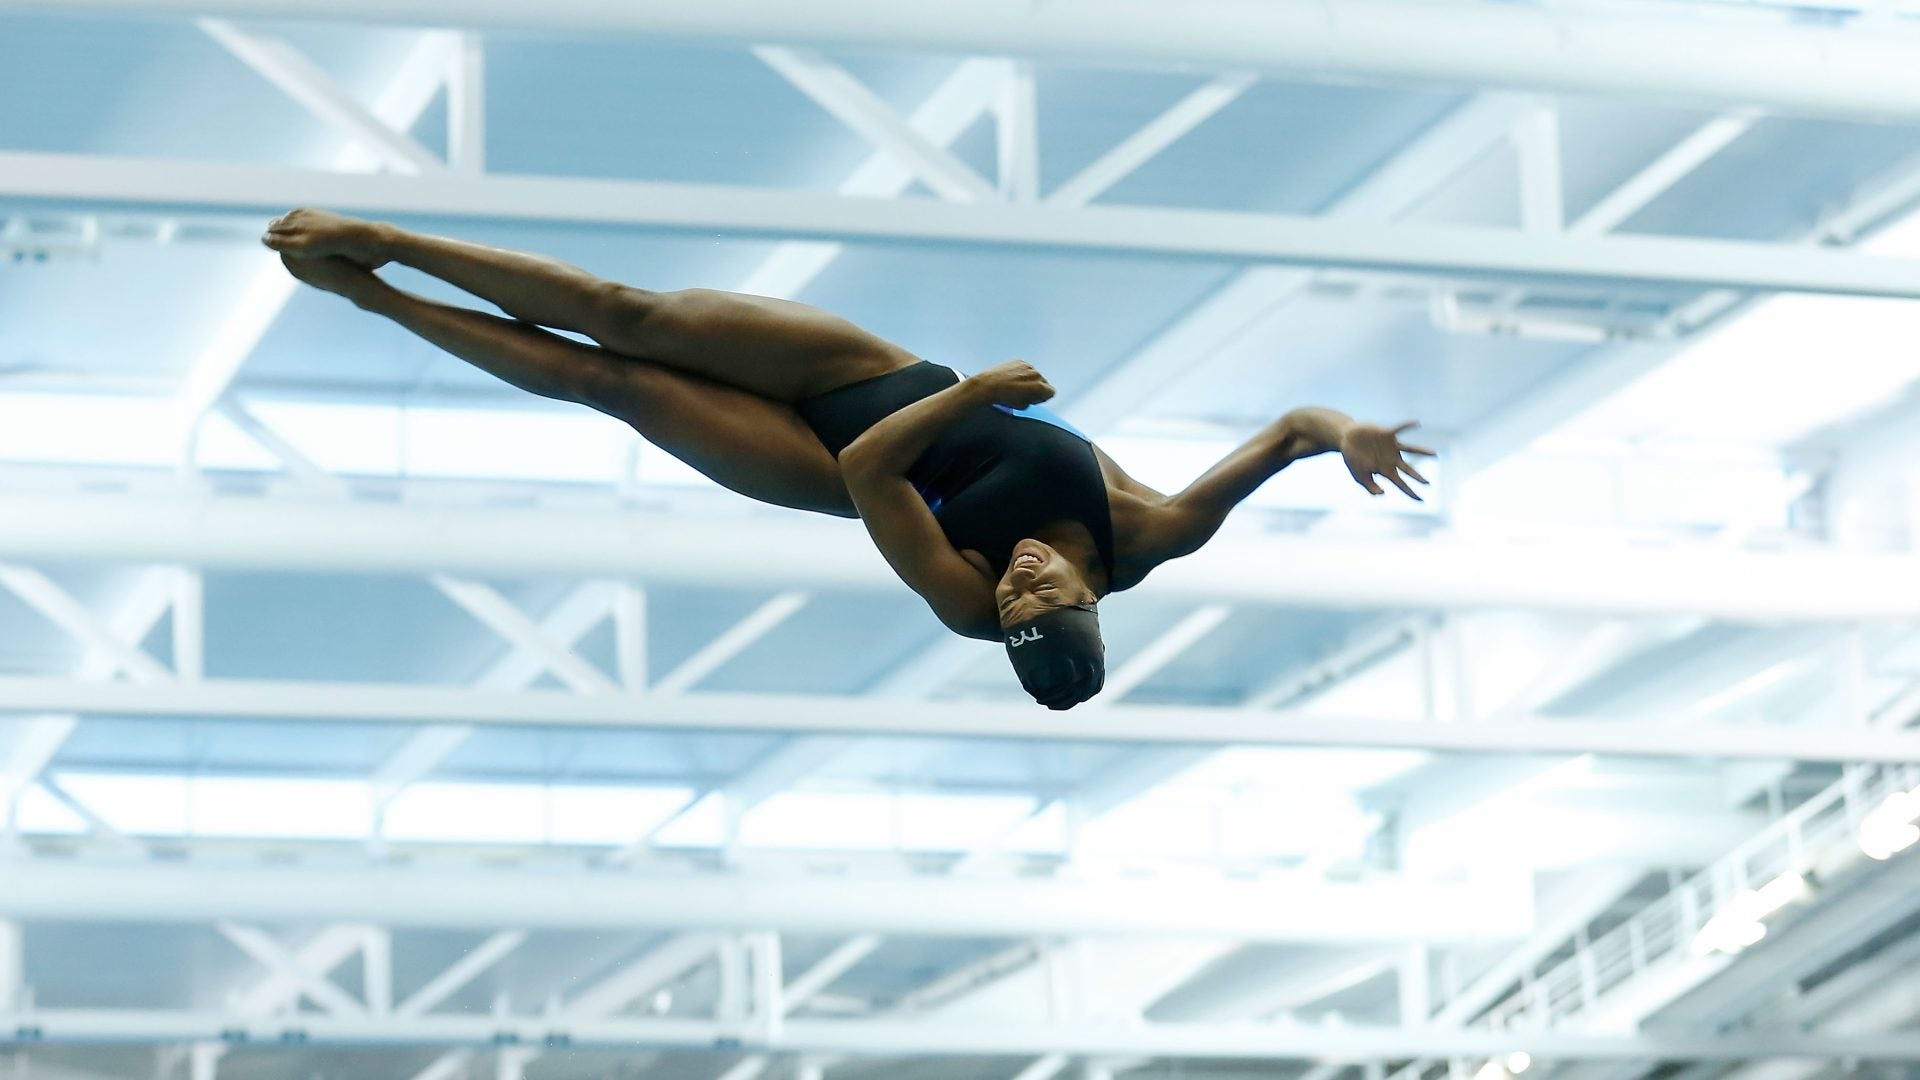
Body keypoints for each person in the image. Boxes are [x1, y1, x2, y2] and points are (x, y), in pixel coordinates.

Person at [263, 209, 1431, 709]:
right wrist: (1348, 438)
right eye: (1045, 588)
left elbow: (875, 477)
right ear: (1092, 601)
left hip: (828, 460)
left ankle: (370, 297)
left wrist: (974, 393)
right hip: (876, 370)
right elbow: (1286, 432)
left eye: (1014, 591)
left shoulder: (975, 614)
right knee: (632, 312)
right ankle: (391, 241)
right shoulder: (1157, 532)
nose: (1019, 575)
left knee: (606, 380)